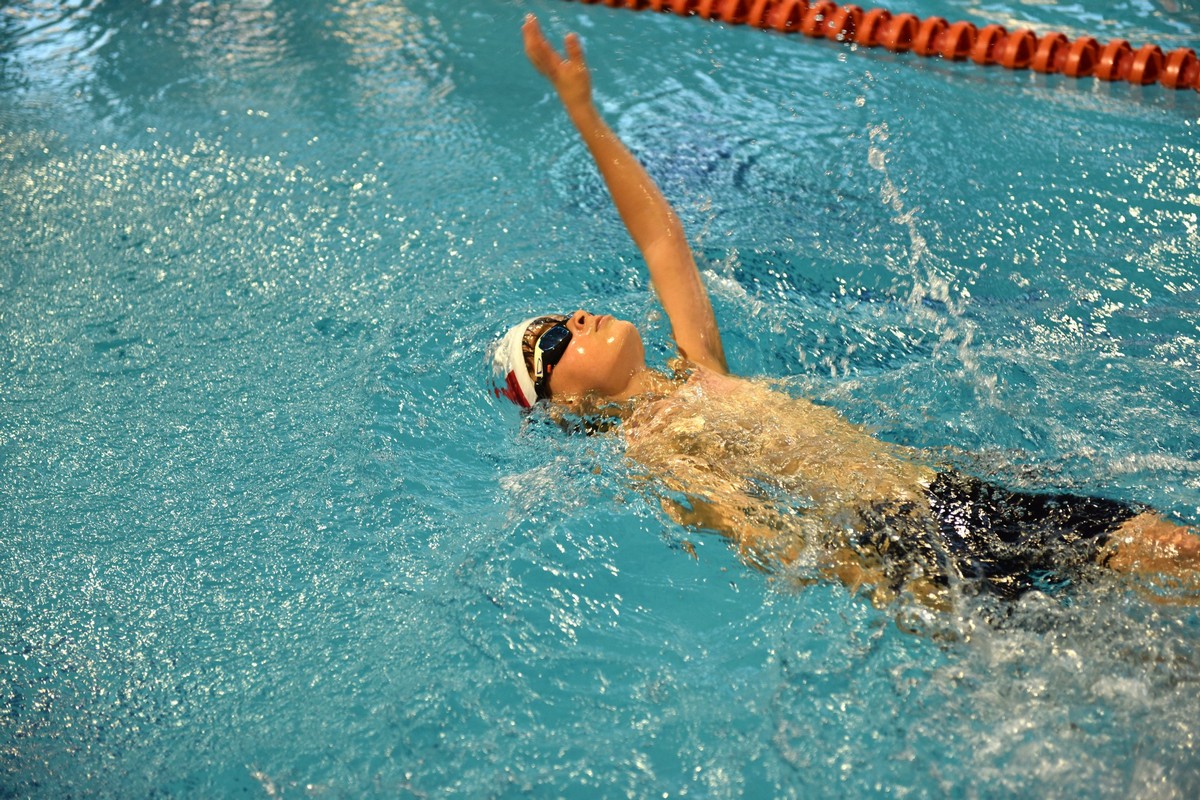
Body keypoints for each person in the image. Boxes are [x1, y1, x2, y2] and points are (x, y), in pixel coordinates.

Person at [492, 14, 1200, 609]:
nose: (578, 317)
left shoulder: (694, 368)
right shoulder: (652, 448)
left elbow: (660, 239)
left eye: (567, 315)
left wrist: (582, 111)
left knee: (1172, 549)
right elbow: (762, 539)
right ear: (565, 405)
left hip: (946, 492)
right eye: (555, 336)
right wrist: (890, 588)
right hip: (911, 548)